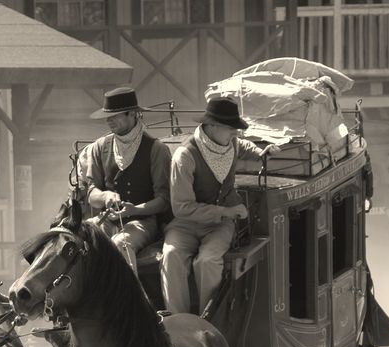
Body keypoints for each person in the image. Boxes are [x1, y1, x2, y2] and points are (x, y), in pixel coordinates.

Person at [162, 97, 277, 315]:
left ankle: (209, 321)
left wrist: (261, 152)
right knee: (171, 256)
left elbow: (242, 146)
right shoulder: (184, 157)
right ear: (211, 126)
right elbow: (181, 208)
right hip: (186, 224)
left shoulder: (229, 141)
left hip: (219, 226)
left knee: (206, 262)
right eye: (230, 128)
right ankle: (178, 324)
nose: (235, 132)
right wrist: (227, 211)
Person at [86, 87, 172, 272]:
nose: (109, 119)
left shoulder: (157, 149)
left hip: (143, 223)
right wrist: (106, 196)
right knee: (80, 237)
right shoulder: (99, 147)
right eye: (107, 115)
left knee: (121, 243)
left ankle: (129, 299)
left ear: (132, 114)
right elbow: (91, 194)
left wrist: (134, 210)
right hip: (106, 220)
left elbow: (163, 201)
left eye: (114, 115)